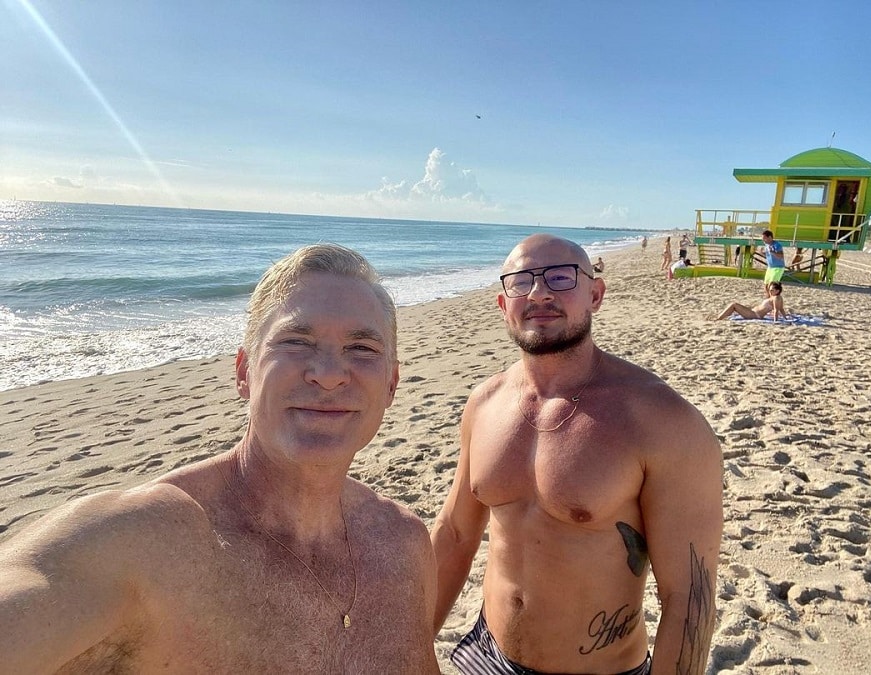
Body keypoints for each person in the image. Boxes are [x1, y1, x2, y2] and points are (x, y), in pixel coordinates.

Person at [0, 244, 440, 673]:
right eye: (295, 341)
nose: (327, 374)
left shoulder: (402, 543)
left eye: (361, 349)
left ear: (391, 385)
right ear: (244, 373)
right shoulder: (143, 544)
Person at [431, 234, 723, 674]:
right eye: (521, 280)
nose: (539, 292)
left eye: (560, 277)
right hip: (487, 656)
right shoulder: (485, 403)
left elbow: (689, 597)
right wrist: (408, 639)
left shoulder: (661, 420)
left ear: (595, 294)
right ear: (501, 304)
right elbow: (455, 533)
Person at [714, 280, 787, 321]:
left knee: (734, 305)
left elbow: (777, 310)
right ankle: (720, 317)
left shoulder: (776, 298)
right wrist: (785, 318)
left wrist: (775, 321)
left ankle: (718, 318)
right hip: (753, 312)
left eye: (772, 290)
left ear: (777, 291)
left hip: (755, 315)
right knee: (735, 307)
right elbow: (781, 309)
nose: (770, 292)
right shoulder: (777, 297)